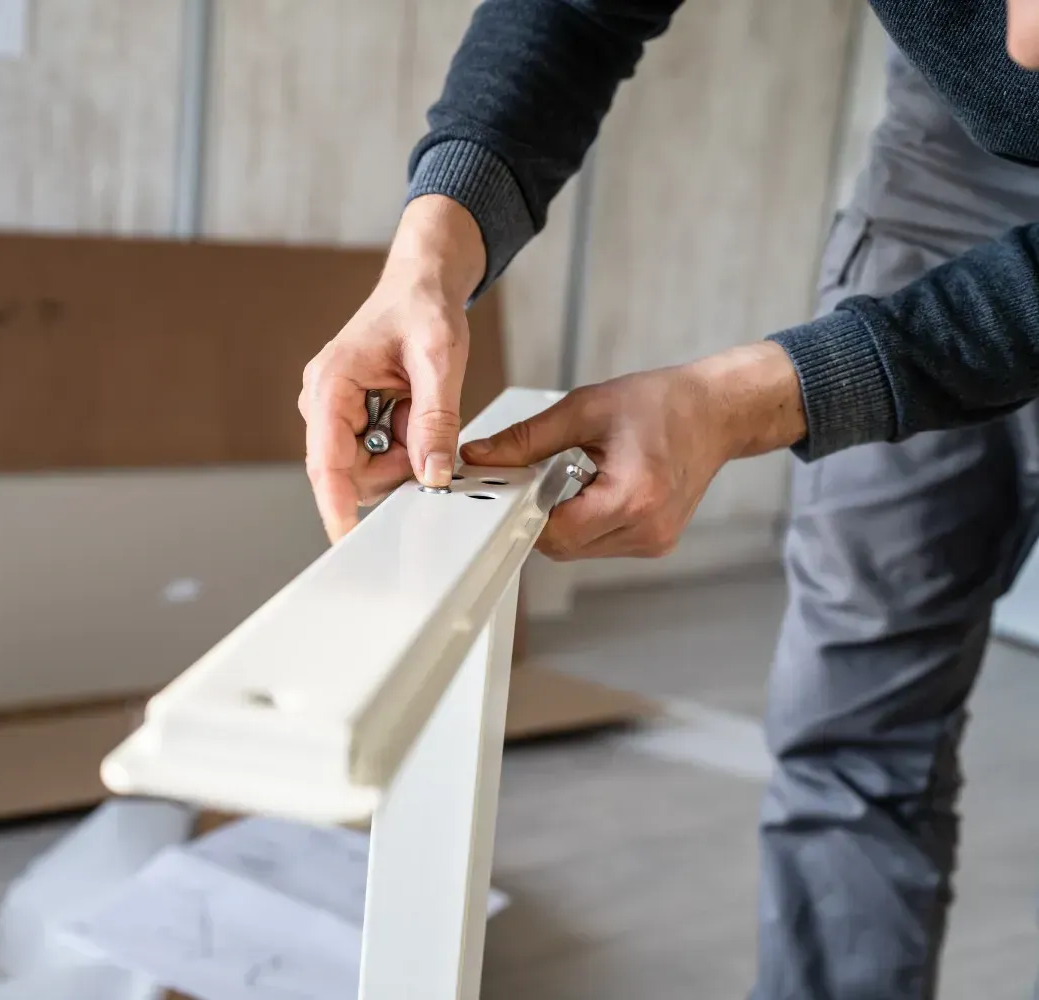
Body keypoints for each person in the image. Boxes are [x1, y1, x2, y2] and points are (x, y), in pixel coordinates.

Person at [298, 2, 1039, 998]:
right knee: (857, 727)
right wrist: (429, 253)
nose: (1018, 46)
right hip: (951, 172)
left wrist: (744, 401)